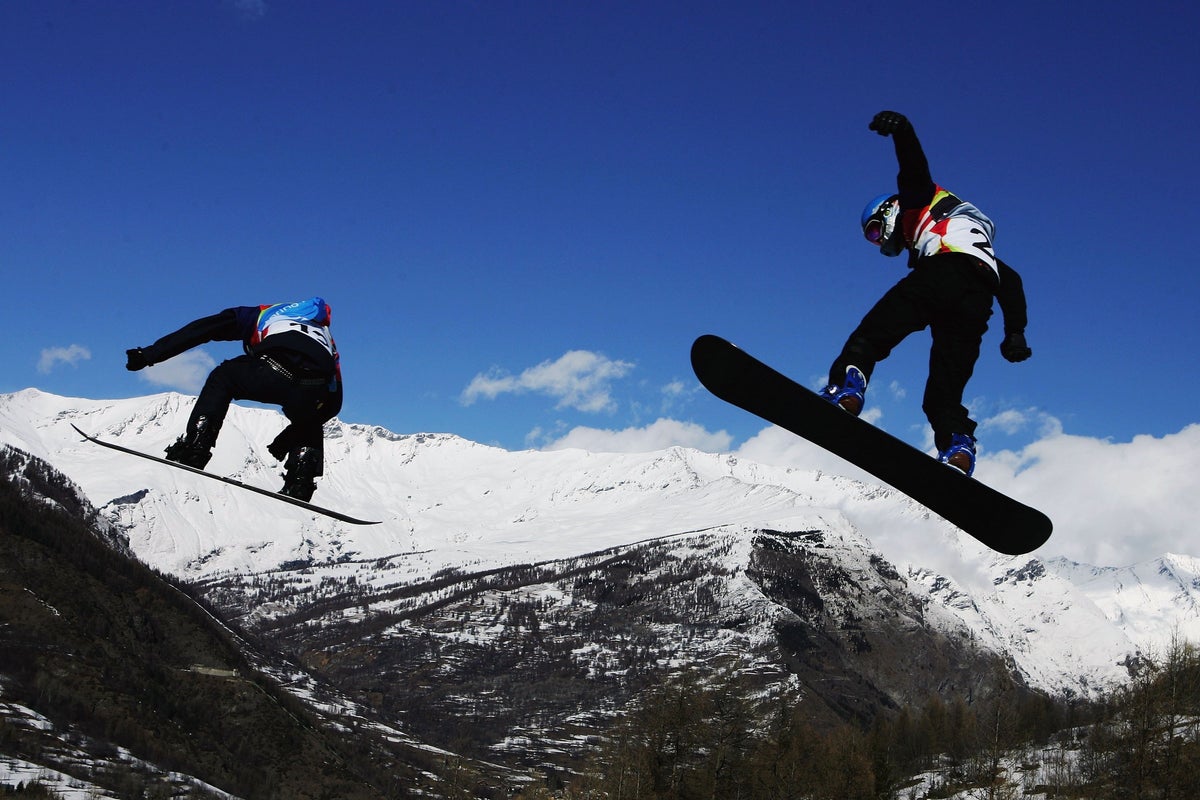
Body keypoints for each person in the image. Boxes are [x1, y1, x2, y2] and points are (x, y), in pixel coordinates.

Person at [821, 111, 1032, 477]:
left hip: (942, 274)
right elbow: (1010, 282)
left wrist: (902, 131)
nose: (882, 242)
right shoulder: (979, 243)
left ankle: (845, 391)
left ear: (889, 211)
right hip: (978, 299)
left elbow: (913, 168)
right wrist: (1015, 332)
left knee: (871, 336)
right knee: (944, 394)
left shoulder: (918, 203)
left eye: (875, 232)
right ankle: (958, 448)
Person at [125, 297, 343, 500]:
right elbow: (333, 404)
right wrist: (287, 440)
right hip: (316, 386)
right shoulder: (326, 338)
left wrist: (149, 355)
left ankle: (195, 448)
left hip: (273, 368)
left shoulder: (262, 314)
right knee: (311, 412)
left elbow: (200, 330)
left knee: (224, 377)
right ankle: (301, 478)